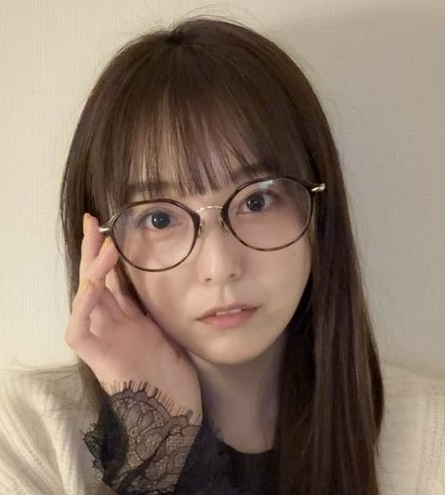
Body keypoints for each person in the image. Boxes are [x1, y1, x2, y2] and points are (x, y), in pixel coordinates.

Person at [0, 17, 444, 495]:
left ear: (319, 209)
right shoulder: (30, 438)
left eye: (257, 201)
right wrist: (158, 447)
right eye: (159, 218)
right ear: (102, 243)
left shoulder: (430, 439)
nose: (219, 267)